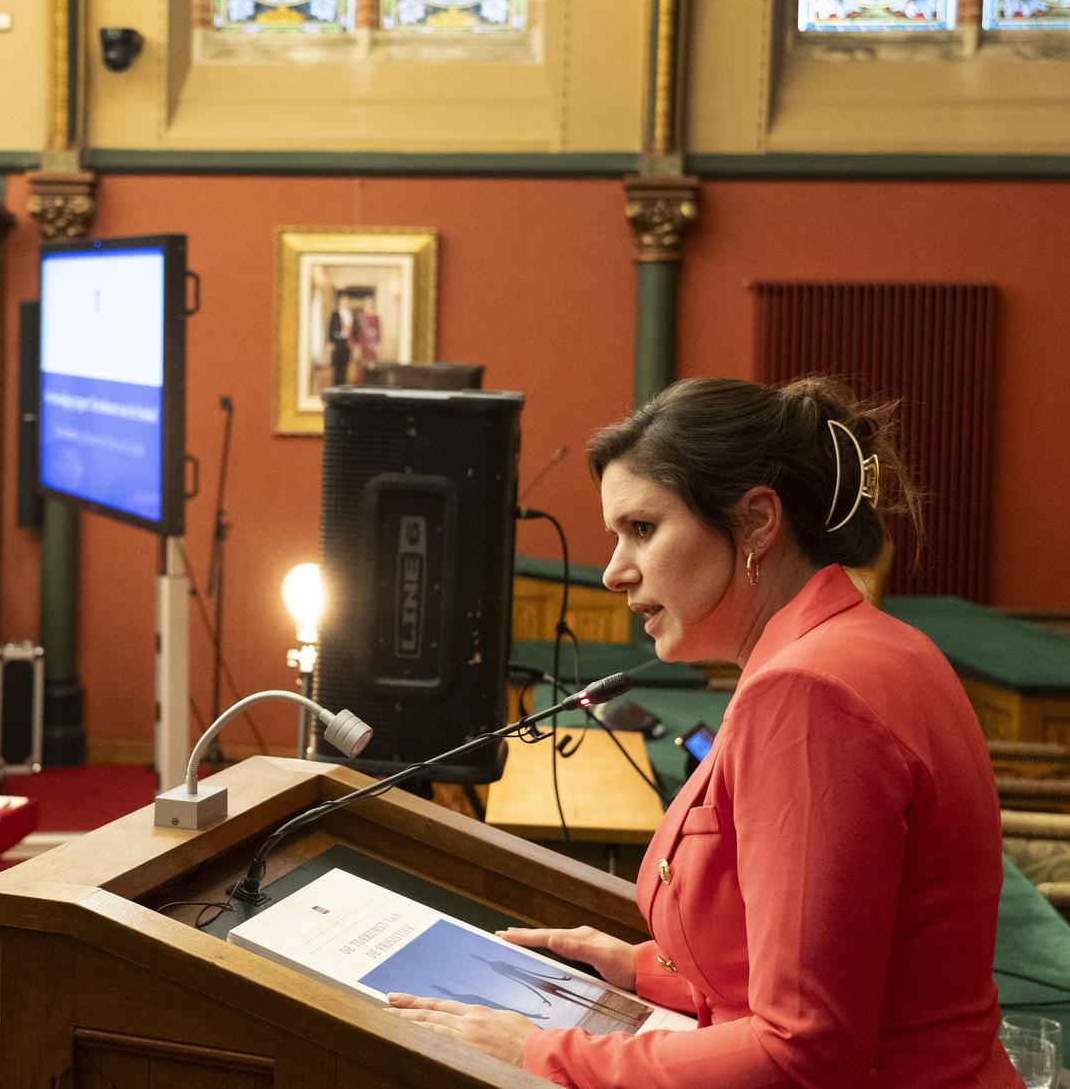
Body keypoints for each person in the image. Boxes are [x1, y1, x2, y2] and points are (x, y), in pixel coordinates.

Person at [385, 378, 1020, 1088]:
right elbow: (866, 968)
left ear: (755, 521)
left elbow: (802, 1048)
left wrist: (539, 1052)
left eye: (643, 529)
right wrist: (646, 967)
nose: (614, 572)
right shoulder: (878, 644)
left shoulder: (807, 692)